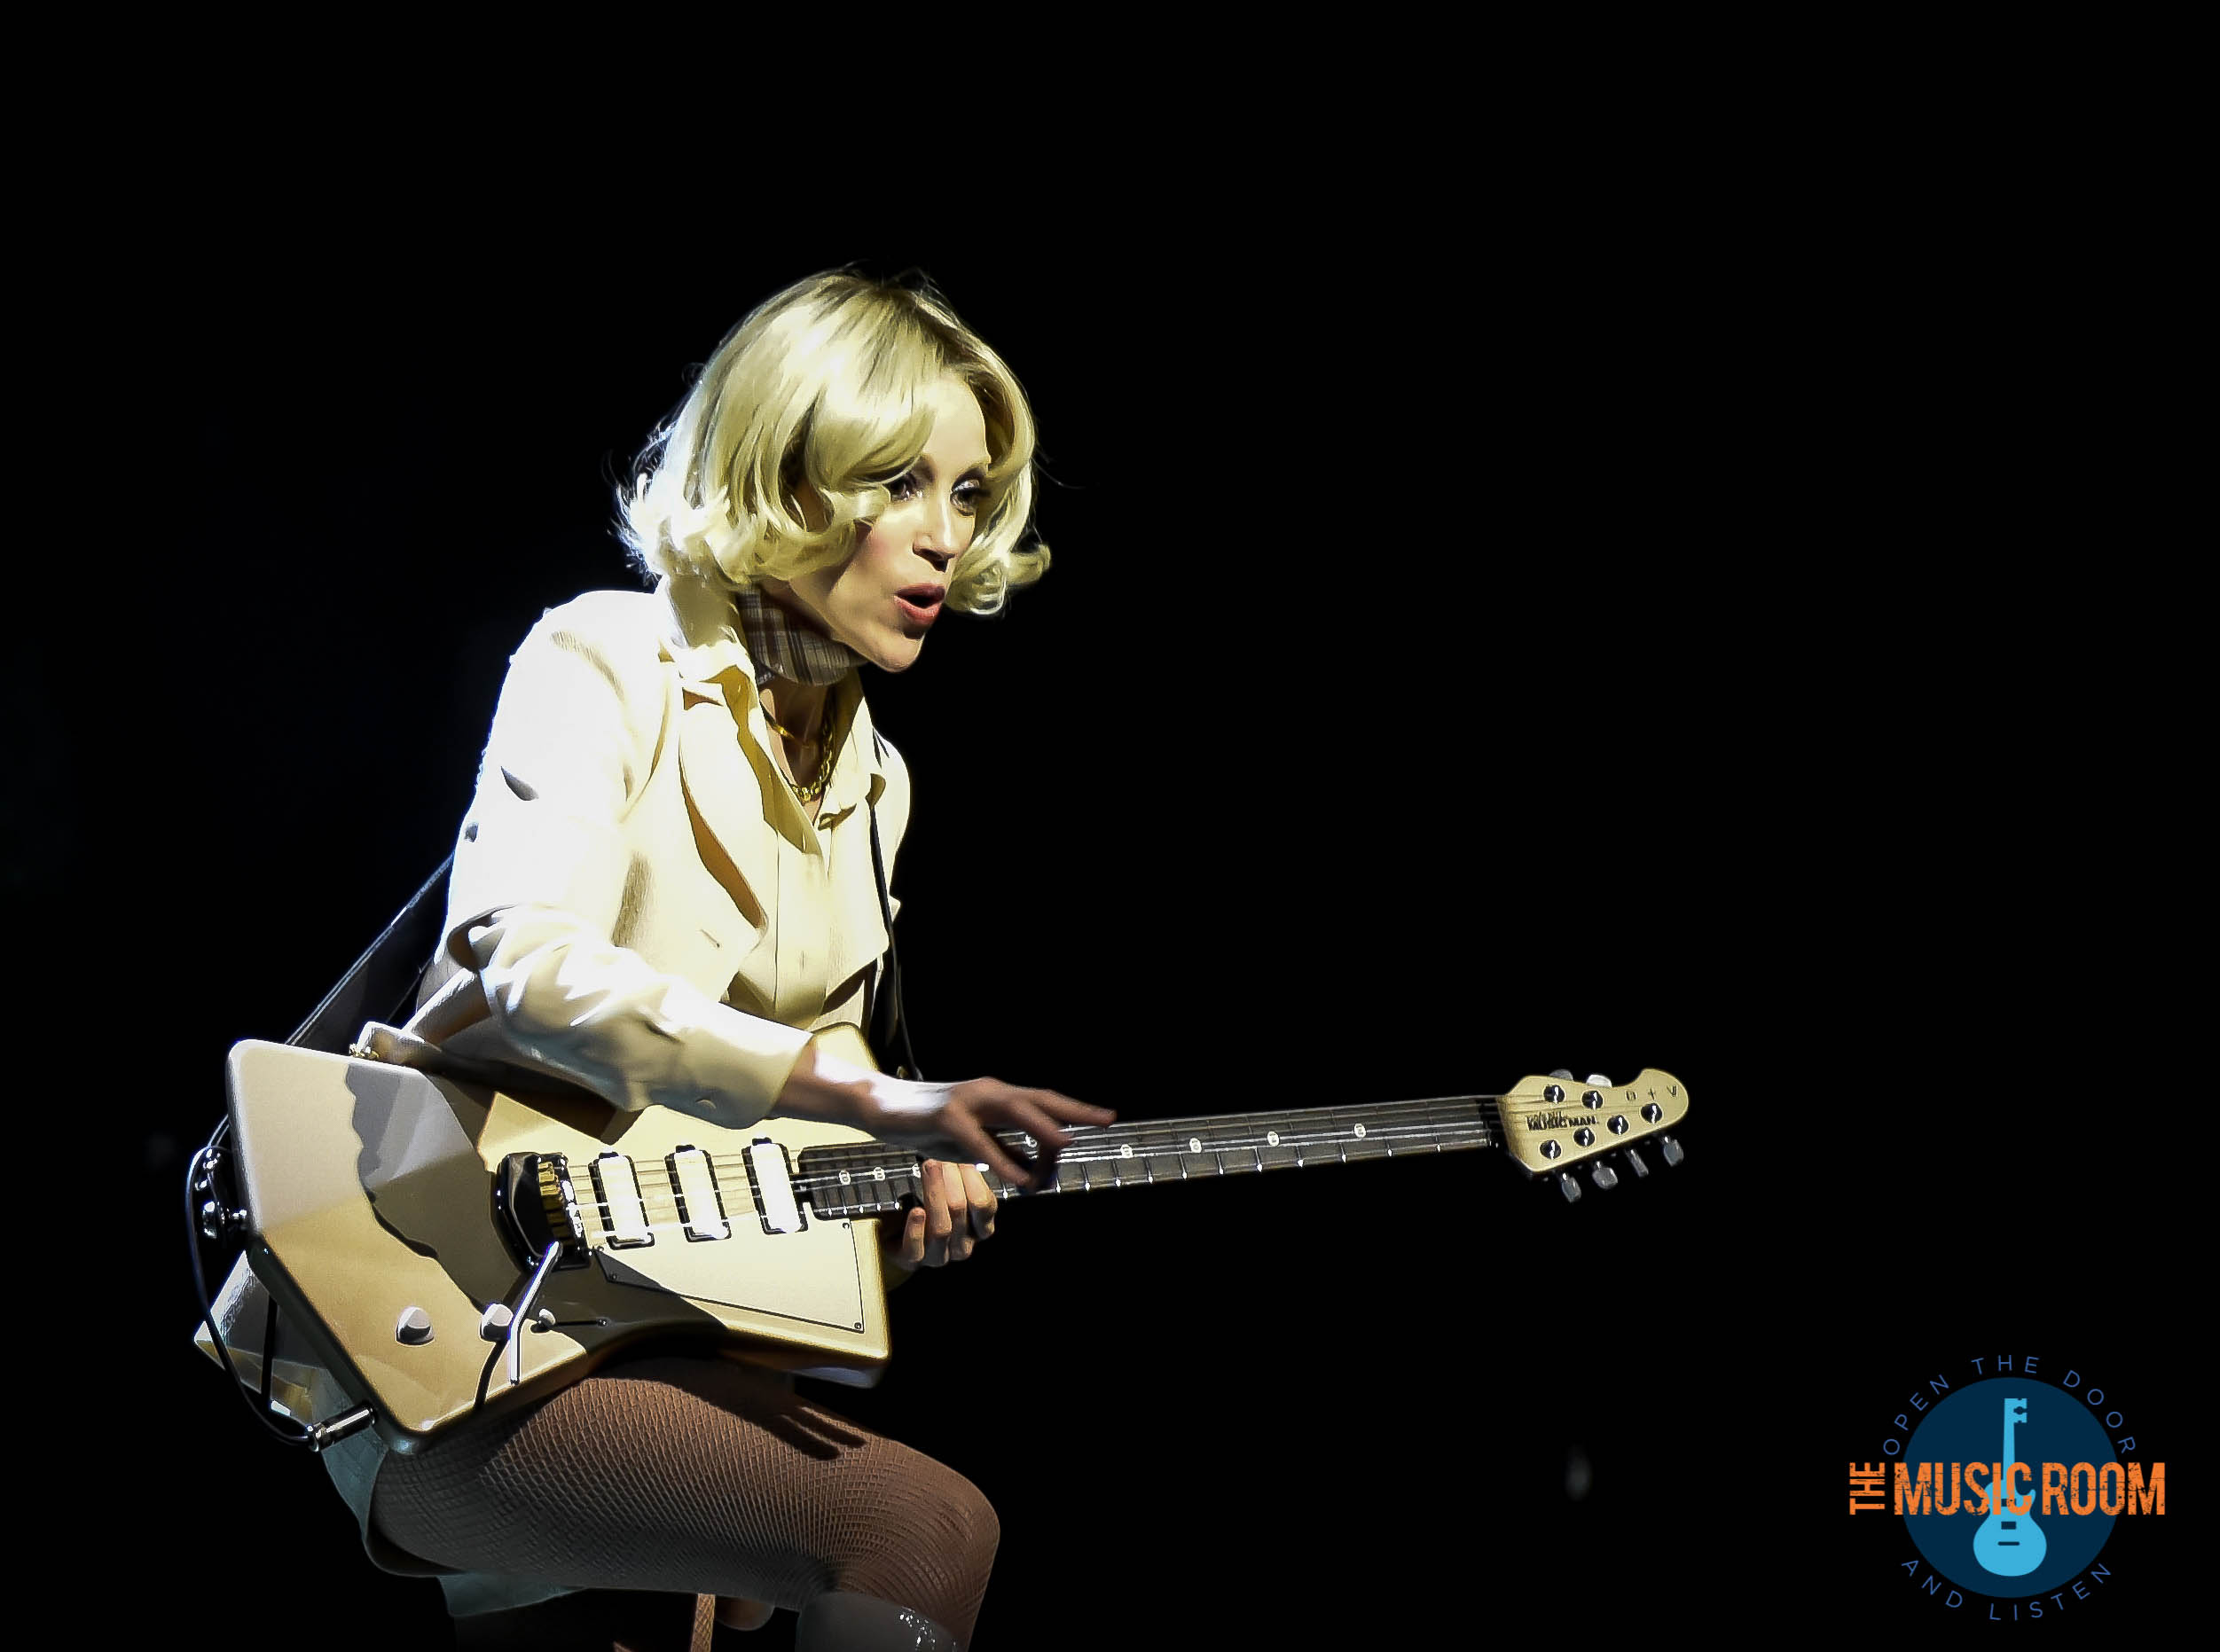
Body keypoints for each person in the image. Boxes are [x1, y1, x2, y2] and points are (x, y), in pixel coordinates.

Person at [320, 270, 1111, 1650]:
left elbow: (752, 1160)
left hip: (667, 1335)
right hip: (457, 1305)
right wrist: (879, 1103)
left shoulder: (878, 779)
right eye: (899, 482)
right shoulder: (606, 656)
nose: (943, 540)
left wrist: (906, 1213)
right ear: (791, 478)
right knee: (926, 1529)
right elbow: (526, 964)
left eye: (970, 495)